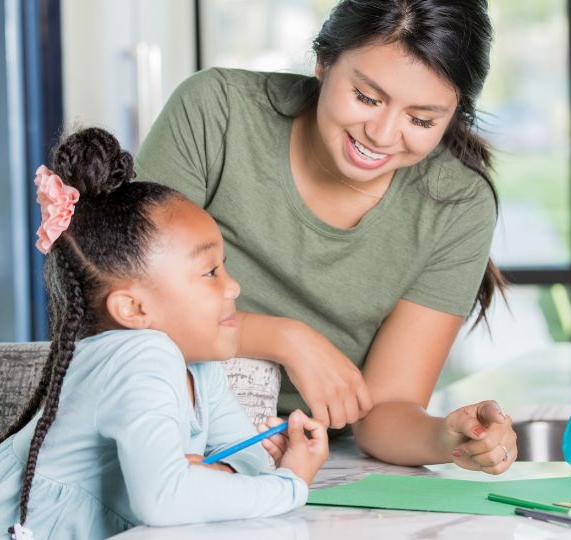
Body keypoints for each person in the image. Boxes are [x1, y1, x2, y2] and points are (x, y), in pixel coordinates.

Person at [135, 0, 517, 473]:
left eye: (421, 120)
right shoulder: (216, 113)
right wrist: (286, 339)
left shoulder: (457, 205)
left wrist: (449, 439)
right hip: (156, 429)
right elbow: (125, 300)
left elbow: (381, 415)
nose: (381, 134)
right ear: (323, 61)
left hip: (300, 462)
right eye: (367, 97)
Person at [0, 128, 328, 539]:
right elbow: (165, 499)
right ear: (133, 309)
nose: (233, 286)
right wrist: (289, 485)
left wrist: (218, 474)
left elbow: (252, 462)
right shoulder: (140, 356)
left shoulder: (200, 371)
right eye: (210, 271)